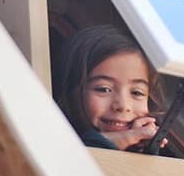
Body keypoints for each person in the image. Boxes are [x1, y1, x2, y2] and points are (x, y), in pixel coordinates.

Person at [56, 24, 167, 152]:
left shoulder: (140, 143)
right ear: (71, 91)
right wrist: (118, 140)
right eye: (104, 89)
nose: (123, 106)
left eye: (137, 92)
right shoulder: (51, 142)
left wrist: (146, 149)